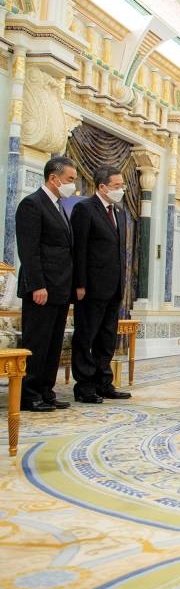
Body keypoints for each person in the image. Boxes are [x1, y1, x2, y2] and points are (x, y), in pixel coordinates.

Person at [14, 156, 77, 412]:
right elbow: (29, 251)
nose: (73, 185)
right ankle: (29, 394)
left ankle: (45, 390)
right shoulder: (32, 204)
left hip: (60, 287)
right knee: (37, 342)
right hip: (41, 288)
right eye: (70, 179)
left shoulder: (59, 206)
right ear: (54, 178)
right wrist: (37, 285)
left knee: (53, 344)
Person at [69, 166, 131, 403]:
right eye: (117, 186)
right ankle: (84, 386)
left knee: (107, 337)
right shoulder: (84, 209)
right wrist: (80, 283)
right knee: (87, 336)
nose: (121, 190)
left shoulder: (119, 212)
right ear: (102, 187)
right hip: (91, 287)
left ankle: (104, 381)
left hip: (114, 286)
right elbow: (80, 249)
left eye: (122, 185)